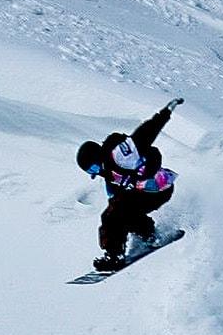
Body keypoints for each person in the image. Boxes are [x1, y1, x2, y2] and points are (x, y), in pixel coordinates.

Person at [75, 98, 183, 271]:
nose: (96, 172)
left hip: (157, 188)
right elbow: (116, 202)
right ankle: (149, 236)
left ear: (97, 157)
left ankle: (115, 256)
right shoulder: (109, 177)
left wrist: (165, 113)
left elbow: (145, 134)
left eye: (93, 167)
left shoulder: (118, 155)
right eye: (91, 171)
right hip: (148, 193)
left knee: (114, 215)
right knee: (118, 212)